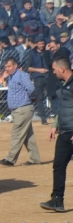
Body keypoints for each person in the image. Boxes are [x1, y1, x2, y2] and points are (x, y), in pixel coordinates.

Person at [41, 54, 73, 212]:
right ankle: (57, 200)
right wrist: (55, 125)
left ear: (62, 69)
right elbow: (64, 108)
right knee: (59, 165)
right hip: (65, 132)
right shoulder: (64, 84)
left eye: (54, 69)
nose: (53, 72)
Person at [0, 57, 42, 166]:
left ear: (15, 66)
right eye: (5, 67)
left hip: (23, 108)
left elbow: (31, 88)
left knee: (17, 134)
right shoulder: (12, 77)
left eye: (9, 66)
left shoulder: (21, 75)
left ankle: (10, 159)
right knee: (27, 136)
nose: (6, 69)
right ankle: (35, 159)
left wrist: (32, 98)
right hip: (19, 109)